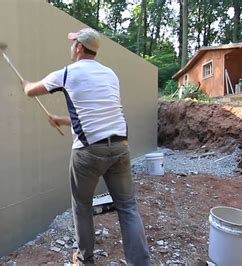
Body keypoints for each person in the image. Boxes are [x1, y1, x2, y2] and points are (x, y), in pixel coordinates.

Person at [21, 28, 150, 265]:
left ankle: (84, 260)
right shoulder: (110, 74)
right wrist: (61, 120)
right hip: (120, 145)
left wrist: (25, 84)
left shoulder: (68, 73)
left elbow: (31, 91)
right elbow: (96, 114)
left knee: (82, 206)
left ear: (79, 47)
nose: (71, 48)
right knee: (128, 207)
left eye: (73, 44)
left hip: (89, 151)